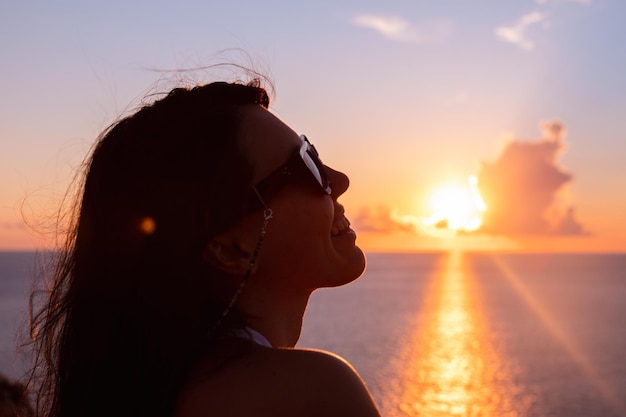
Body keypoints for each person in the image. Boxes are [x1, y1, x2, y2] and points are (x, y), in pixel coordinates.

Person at [28, 79, 381, 417]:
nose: (339, 180)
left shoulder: (146, 392)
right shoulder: (314, 393)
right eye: (306, 163)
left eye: (313, 152)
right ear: (230, 250)